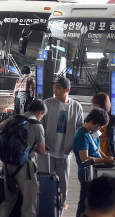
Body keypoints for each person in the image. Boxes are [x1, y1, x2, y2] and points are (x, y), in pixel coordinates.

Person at [0, 100, 47, 217]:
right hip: (25, 166)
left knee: (8, 200)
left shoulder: (12, 119)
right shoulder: (37, 125)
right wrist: (30, 147)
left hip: (7, 164)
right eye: (42, 115)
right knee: (29, 203)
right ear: (40, 112)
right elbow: (42, 150)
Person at [38, 77, 83, 213]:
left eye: (58, 88)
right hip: (47, 151)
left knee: (63, 183)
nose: (55, 90)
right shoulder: (47, 103)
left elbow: (80, 127)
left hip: (65, 151)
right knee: (44, 181)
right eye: (54, 87)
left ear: (67, 90)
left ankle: (60, 211)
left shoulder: (76, 106)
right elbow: (40, 124)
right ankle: (44, 209)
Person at [72, 108, 113, 217]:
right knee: (85, 202)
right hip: (86, 172)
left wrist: (108, 158)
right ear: (91, 121)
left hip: (97, 170)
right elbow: (84, 158)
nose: (99, 129)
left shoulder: (93, 132)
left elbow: (97, 149)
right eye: (99, 126)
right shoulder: (82, 135)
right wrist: (104, 160)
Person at [91, 93, 115, 157]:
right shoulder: (90, 120)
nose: (93, 106)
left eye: (95, 105)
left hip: (110, 155)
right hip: (95, 156)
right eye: (93, 104)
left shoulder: (113, 120)